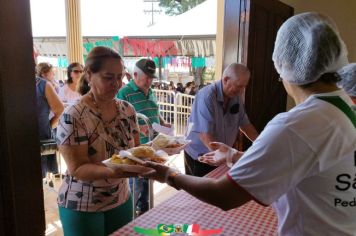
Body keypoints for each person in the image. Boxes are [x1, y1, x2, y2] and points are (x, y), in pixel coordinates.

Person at [142, 13, 356, 236]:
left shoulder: (296, 126)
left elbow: (224, 195)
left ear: (286, 68)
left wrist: (168, 175)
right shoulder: (344, 107)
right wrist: (234, 155)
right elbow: (306, 161)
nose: (240, 91)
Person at [56, 47, 153, 236]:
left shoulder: (127, 110)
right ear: (89, 75)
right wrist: (114, 170)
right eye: (109, 77)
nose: (117, 84)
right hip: (82, 204)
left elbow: (135, 151)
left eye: (120, 77)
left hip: (121, 199)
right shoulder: (74, 116)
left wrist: (155, 152)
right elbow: (77, 168)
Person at [117, 58, 171, 216]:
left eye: (151, 78)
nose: (149, 81)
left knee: (149, 177)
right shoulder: (124, 92)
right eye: (147, 77)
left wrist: (163, 123)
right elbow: (119, 119)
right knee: (136, 181)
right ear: (134, 74)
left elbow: (154, 110)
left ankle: (144, 209)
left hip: (152, 144)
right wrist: (140, 128)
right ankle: (130, 213)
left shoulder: (151, 91)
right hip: (137, 145)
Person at [184, 63, 258, 177]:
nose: (241, 91)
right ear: (226, 80)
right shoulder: (206, 96)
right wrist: (226, 156)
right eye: (239, 86)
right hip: (201, 158)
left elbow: (246, 125)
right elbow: (205, 135)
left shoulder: (236, 97)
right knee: (198, 193)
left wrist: (262, 144)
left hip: (220, 156)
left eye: (244, 87)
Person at [36, 65, 64, 187]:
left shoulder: (42, 85)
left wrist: (48, 125)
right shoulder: (42, 85)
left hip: (40, 137)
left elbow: (60, 109)